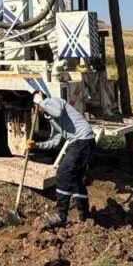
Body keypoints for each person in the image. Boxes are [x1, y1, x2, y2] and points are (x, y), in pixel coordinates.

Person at [27, 90, 96, 228]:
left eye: (35, 108)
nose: (35, 111)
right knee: (76, 179)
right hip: (84, 142)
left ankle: (60, 215)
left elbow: (57, 111)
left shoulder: (55, 102)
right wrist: (36, 145)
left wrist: (40, 100)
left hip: (82, 141)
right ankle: (85, 215)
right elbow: (55, 141)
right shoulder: (51, 118)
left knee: (63, 174)